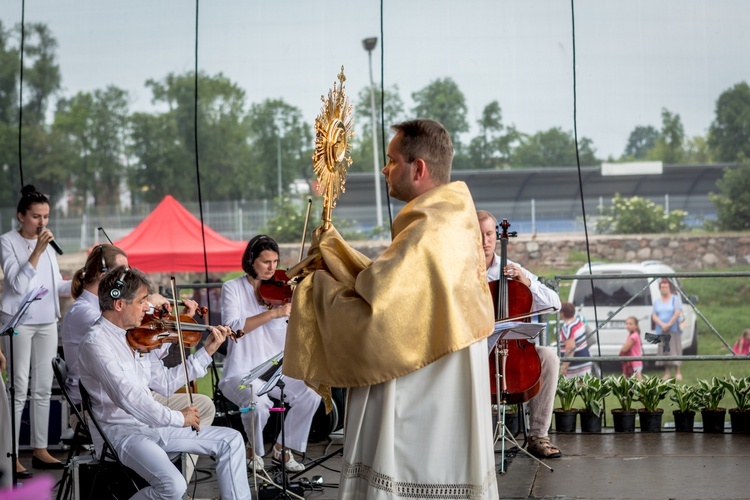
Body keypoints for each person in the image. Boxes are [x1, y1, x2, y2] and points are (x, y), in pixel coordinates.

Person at [285, 119, 499, 498]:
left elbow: (378, 317)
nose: (385, 169)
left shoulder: (426, 234)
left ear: (418, 169)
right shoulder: (450, 222)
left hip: (420, 396)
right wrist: (337, 254)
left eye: (392, 159)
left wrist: (315, 289)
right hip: (441, 382)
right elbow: (390, 286)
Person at [78, 266, 251, 500]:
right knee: (173, 486)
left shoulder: (134, 336)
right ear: (119, 305)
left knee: (231, 440)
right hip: (123, 435)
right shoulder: (95, 343)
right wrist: (179, 418)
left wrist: (208, 351)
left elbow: (167, 383)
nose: (148, 308)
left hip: (152, 427)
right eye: (141, 302)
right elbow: (129, 399)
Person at [60, 243, 216, 483]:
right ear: (108, 280)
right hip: (102, 411)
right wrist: (150, 306)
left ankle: (166, 469)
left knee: (203, 408)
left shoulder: (124, 323)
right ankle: (163, 473)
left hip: (132, 396)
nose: (130, 274)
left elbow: (143, 348)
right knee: (184, 420)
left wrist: (163, 324)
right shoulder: (87, 314)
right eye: (124, 271)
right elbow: (120, 329)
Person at [220, 235, 320, 473]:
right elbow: (233, 328)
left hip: (274, 370)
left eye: (275, 261)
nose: (272, 268)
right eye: (266, 262)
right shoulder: (232, 288)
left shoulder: (282, 291)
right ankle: (253, 449)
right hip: (241, 372)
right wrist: (274, 314)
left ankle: (282, 448)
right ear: (251, 261)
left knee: (312, 393)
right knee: (258, 402)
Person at [476, 210, 563, 459]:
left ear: (496, 236)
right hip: (477, 352)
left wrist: (526, 282)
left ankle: (538, 435)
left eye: (490, 234)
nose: (485, 241)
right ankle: (471, 440)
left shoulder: (513, 269)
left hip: (514, 351)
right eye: (479, 234)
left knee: (549, 356)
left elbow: (555, 304)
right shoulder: (459, 273)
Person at [0, 185, 72, 476]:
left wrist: (78, 283)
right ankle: (11, 455)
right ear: (21, 216)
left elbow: (55, 286)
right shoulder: (7, 242)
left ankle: (41, 450)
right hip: (18, 322)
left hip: (46, 321)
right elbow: (16, 285)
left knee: (42, 388)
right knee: (18, 389)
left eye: (45, 216)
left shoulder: (49, 248)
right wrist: (38, 251)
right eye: (35, 217)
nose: (42, 223)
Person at [652, 278, 683, 381]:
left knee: (675, 349)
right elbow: (654, 315)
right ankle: (667, 372)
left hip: (673, 329)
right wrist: (662, 324)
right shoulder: (657, 301)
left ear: (669, 288)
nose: (664, 289)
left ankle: (678, 372)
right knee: (665, 351)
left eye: (666, 287)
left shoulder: (675, 299)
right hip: (662, 330)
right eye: (662, 287)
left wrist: (669, 324)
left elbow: (677, 312)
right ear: (660, 289)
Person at [559, 302, 593, 378]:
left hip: (575, 367)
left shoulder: (568, 328)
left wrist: (564, 366)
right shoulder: (578, 321)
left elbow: (570, 348)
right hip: (585, 360)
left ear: (563, 313)